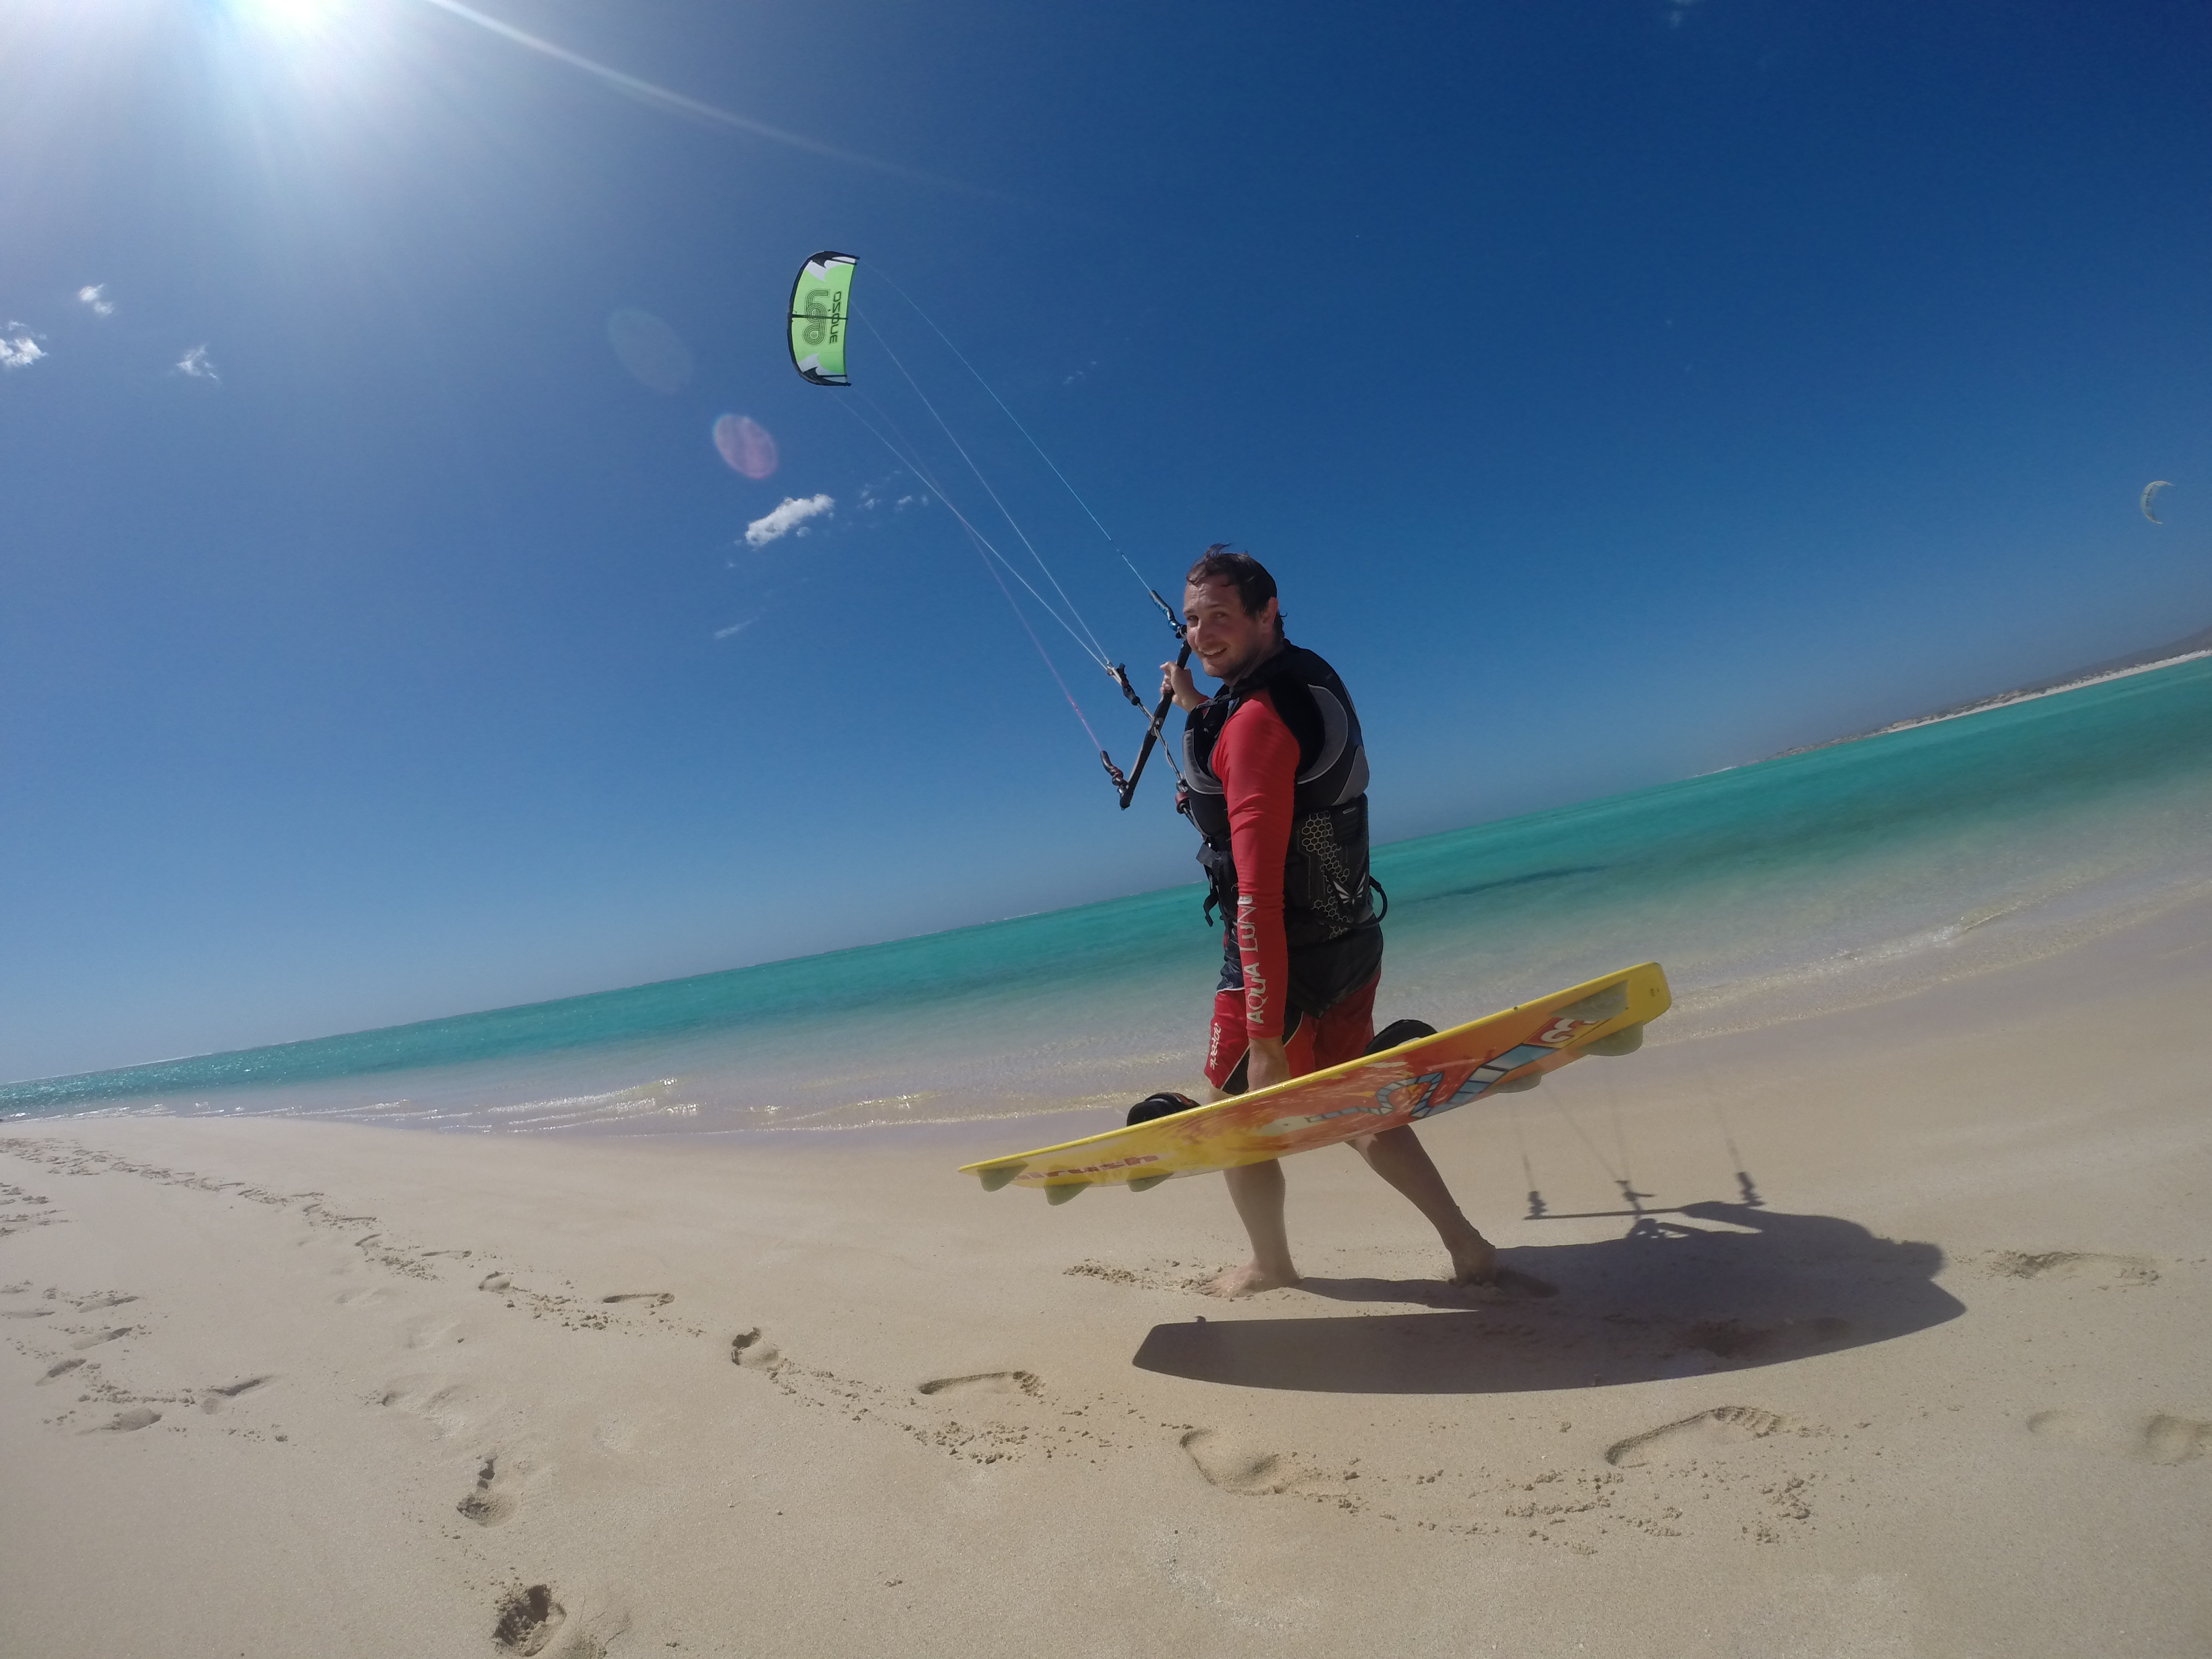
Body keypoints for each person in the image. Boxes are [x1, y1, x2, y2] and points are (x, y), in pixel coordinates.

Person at [1161, 546, 1498, 1297]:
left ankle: (1271, 1266)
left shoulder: (1253, 726)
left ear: (1265, 613)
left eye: (1220, 617)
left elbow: (1256, 897)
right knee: (1357, 1106)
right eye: (1190, 620)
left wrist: (1265, 1038)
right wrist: (1192, 706)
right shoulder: (1305, 680)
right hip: (1352, 938)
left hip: (1282, 957)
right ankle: (1468, 1246)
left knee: (1235, 1119)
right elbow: (1261, 738)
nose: (1201, 634)